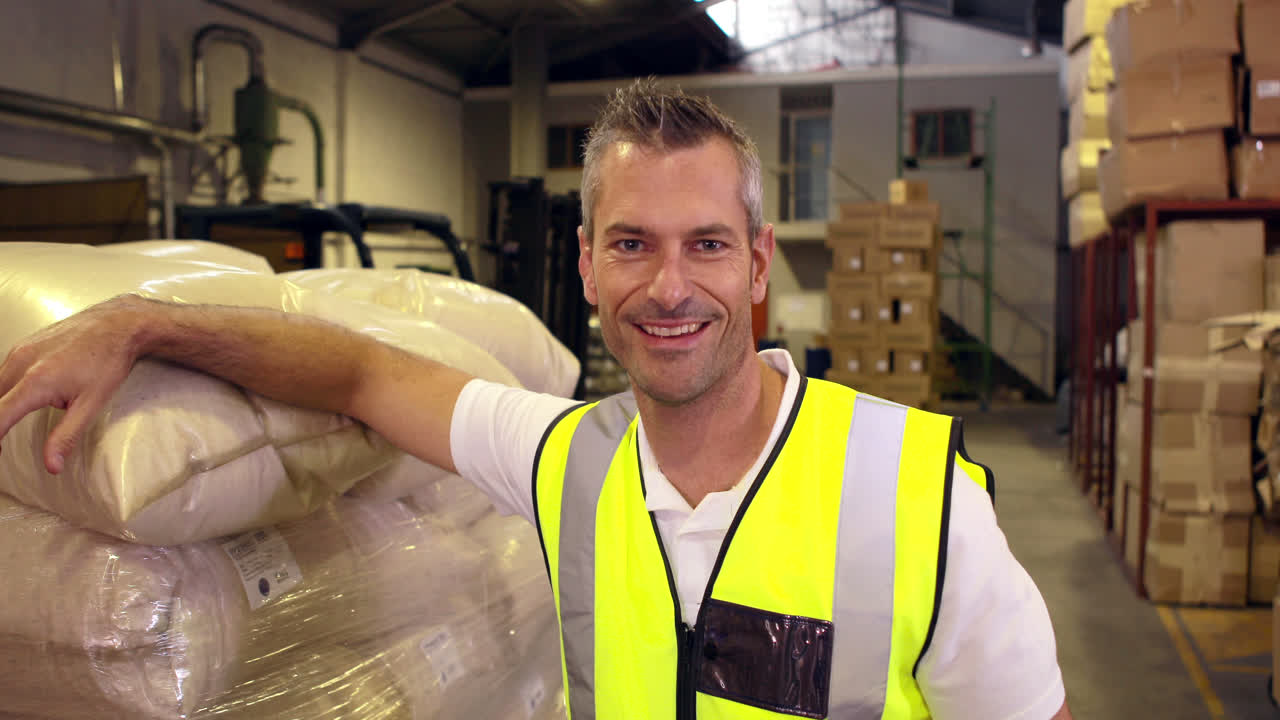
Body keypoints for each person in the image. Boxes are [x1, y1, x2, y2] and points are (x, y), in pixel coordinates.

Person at [0, 79, 1071, 719]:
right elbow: (361, 374)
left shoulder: (915, 493)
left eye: (704, 245)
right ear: (587, 264)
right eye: (630, 246)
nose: (666, 287)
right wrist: (143, 323)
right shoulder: (570, 462)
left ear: (755, 264)